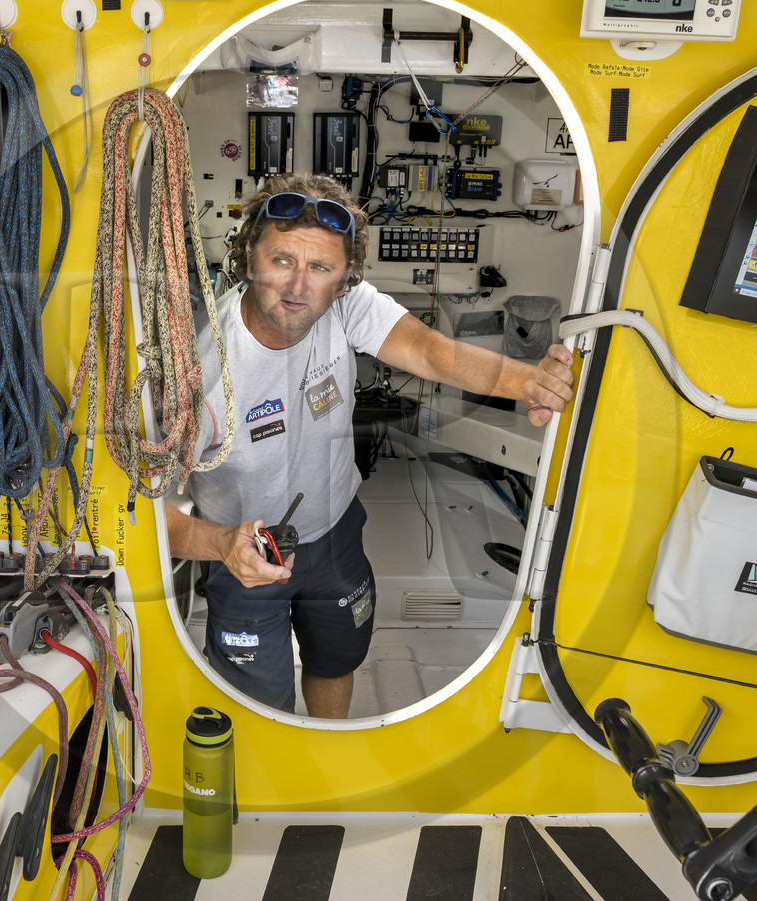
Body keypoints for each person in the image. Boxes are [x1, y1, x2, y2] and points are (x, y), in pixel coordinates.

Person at [167, 174, 574, 719]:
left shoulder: (346, 306)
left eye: (320, 269)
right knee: (256, 702)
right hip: (244, 554)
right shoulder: (194, 376)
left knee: (335, 661)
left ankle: (326, 769)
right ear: (247, 257)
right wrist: (220, 546)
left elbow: (433, 353)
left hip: (335, 535)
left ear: (343, 281)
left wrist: (527, 382)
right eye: (281, 260)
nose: (297, 287)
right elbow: (143, 516)